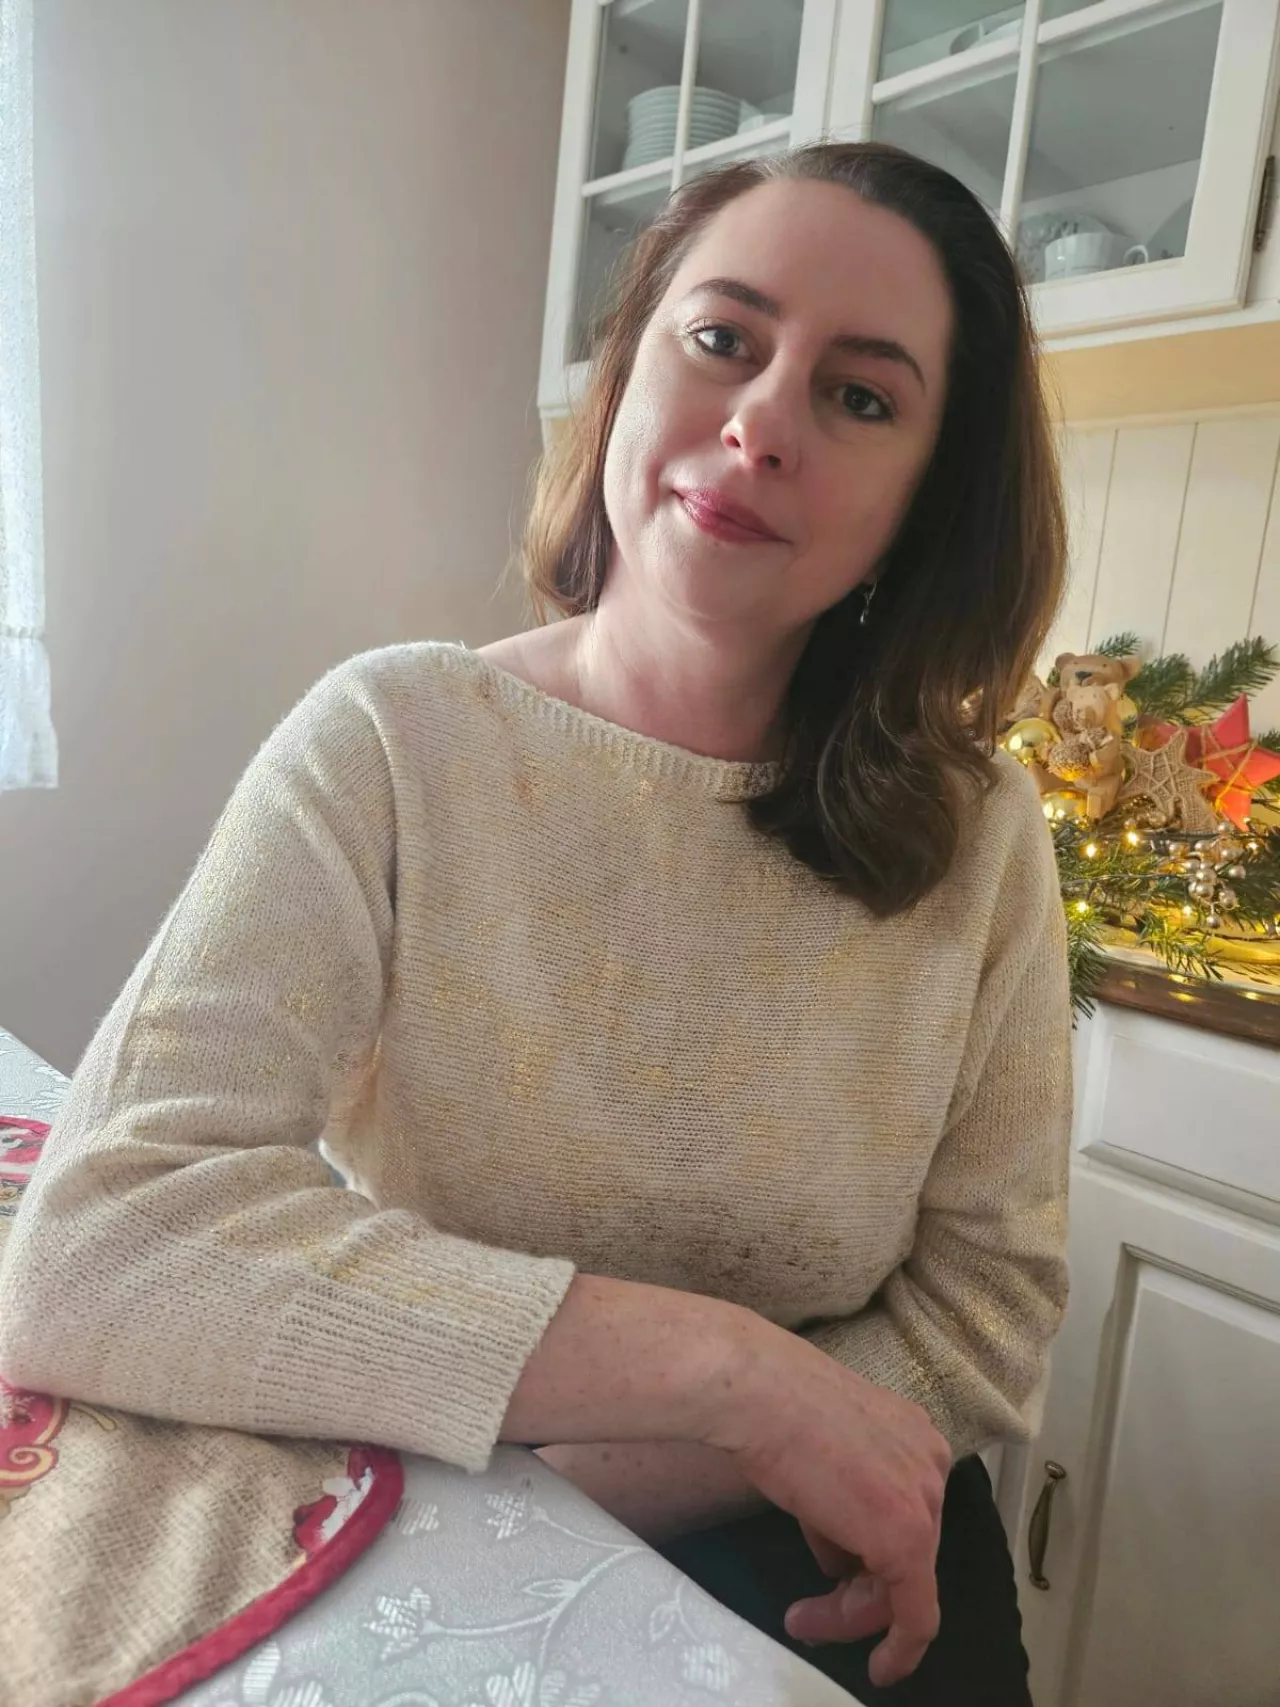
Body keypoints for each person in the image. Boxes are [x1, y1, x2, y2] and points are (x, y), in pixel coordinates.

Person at [0, 140, 1071, 1704]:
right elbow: (95, 1249)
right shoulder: (392, 739)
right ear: (627, 371)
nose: (762, 422)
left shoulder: (984, 836)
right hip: (456, 1513)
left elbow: (989, 1308)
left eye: (860, 395)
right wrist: (727, 1374)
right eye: (724, 337)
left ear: (929, 496)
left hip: (842, 1539)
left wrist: (730, 1443)